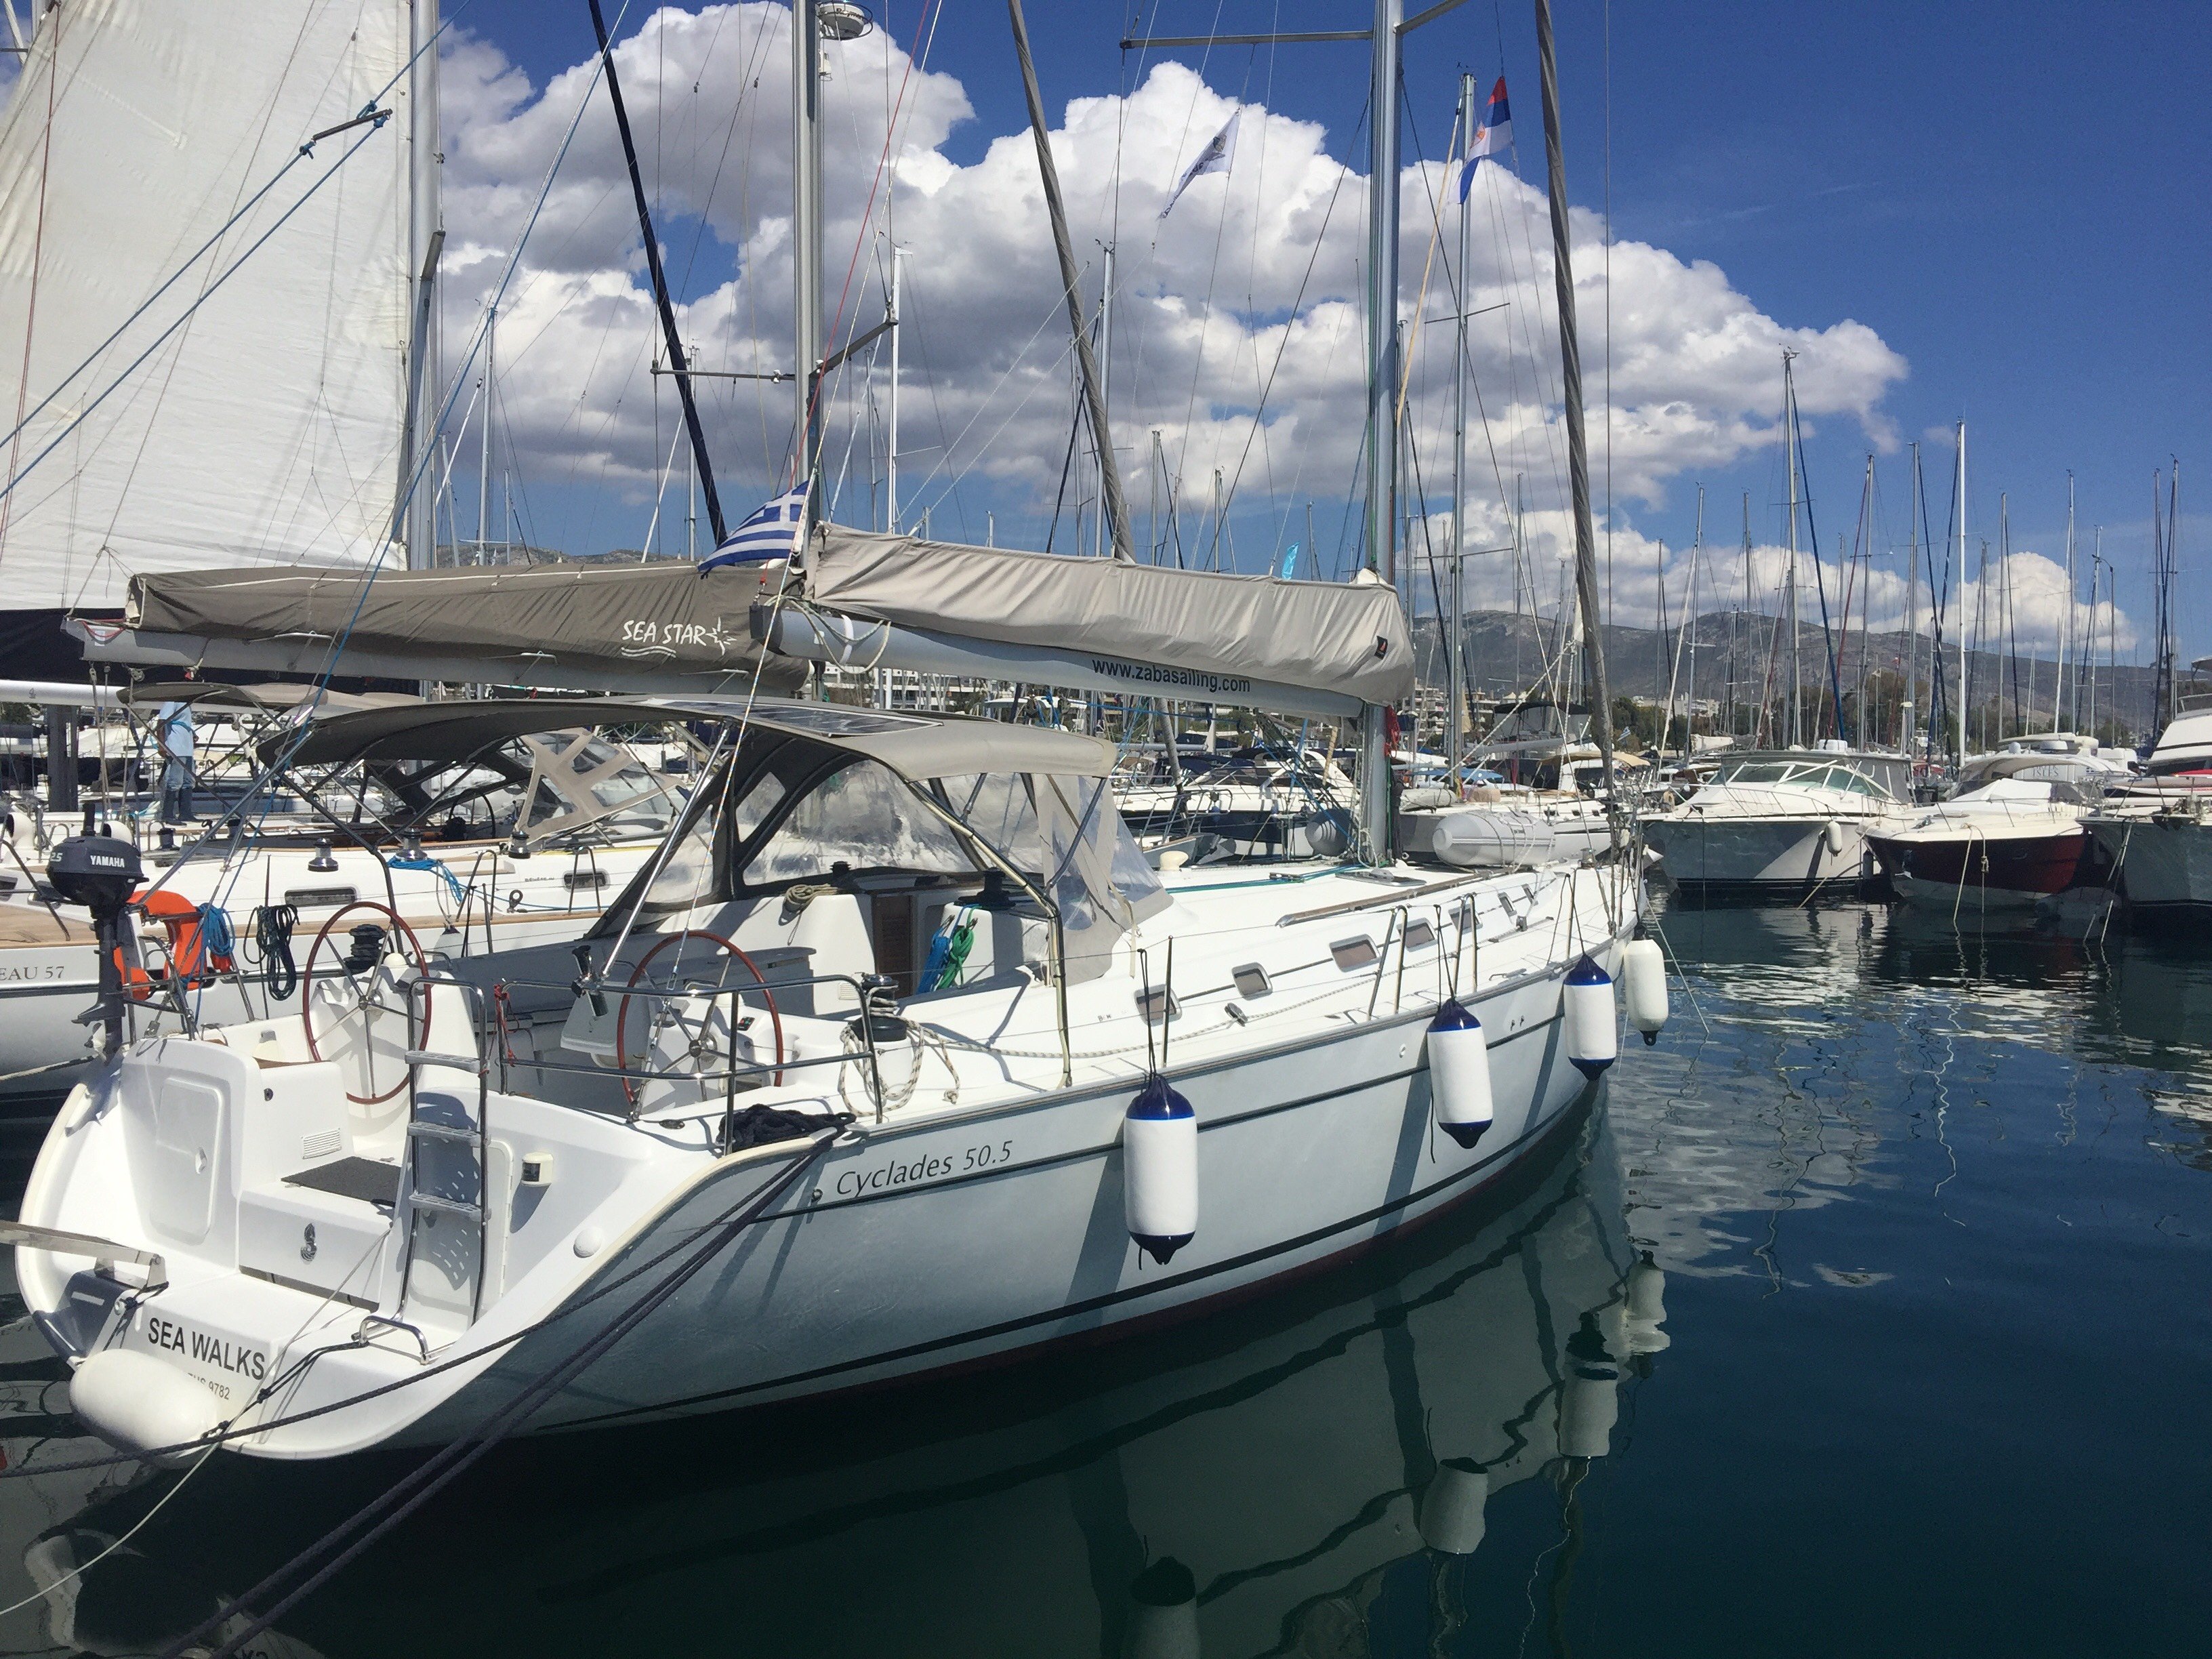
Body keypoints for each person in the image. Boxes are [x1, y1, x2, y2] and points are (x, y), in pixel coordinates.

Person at [157, 699, 196, 823]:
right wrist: (161, 745)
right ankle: (168, 815)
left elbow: (185, 722)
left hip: (187, 747)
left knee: (189, 781)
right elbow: (161, 723)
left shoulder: (187, 703)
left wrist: (192, 734)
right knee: (175, 781)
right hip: (176, 746)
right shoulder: (173, 701)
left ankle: (185, 813)